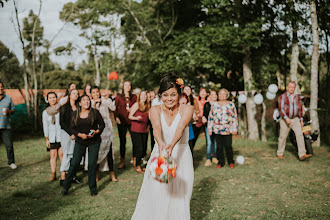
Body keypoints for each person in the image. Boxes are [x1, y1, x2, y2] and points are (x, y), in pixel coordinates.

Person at [132, 75, 194, 220]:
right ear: (160, 96)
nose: (169, 98)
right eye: (165, 95)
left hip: (182, 155)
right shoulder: (155, 109)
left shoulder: (188, 109)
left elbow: (180, 128)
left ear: (179, 95)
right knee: (157, 195)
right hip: (160, 155)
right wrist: (161, 144)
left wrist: (171, 145)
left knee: (181, 197)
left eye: (173, 94)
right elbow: (156, 128)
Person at [61, 94, 105, 196]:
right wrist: (79, 134)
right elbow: (72, 128)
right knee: (74, 164)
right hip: (80, 142)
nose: (86, 102)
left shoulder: (95, 112)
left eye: (88, 100)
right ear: (80, 103)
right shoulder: (75, 114)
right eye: (84, 100)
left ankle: (92, 188)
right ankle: (66, 187)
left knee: (92, 164)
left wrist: (96, 132)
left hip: (94, 141)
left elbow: (102, 125)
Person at [277, 81, 312, 161]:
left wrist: (301, 119)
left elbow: (300, 109)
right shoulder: (282, 97)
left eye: (293, 87)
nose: (291, 89)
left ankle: (302, 154)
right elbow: (281, 109)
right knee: (283, 137)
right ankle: (280, 153)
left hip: (295, 119)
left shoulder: (297, 97)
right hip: (285, 119)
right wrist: (286, 118)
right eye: (290, 87)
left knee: (299, 135)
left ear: (294, 88)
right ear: (287, 87)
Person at [88, 86, 117, 182]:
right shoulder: (90, 103)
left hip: (107, 129)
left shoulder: (105, 101)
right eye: (94, 92)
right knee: (96, 152)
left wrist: (108, 99)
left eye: (97, 92)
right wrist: (94, 105)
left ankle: (112, 174)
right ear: (91, 94)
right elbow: (89, 116)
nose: (96, 94)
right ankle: (96, 174)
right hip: (96, 130)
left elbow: (113, 108)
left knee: (109, 151)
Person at [208, 88, 238, 169]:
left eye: (224, 94)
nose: (222, 95)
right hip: (217, 129)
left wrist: (234, 128)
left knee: (228, 146)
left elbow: (234, 117)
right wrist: (210, 129)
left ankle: (231, 162)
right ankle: (220, 162)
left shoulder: (231, 104)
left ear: (227, 95)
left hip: (228, 129)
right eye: (220, 94)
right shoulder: (214, 105)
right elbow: (211, 117)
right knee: (219, 147)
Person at [114, 81, 137, 169]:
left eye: (129, 85)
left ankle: (135, 159)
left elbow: (137, 106)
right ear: (123, 87)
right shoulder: (119, 97)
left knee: (134, 140)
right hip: (122, 122)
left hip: (131, 121)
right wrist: (116, 117)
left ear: (131, 87)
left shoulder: (134, 97)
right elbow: (115, 108)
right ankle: (122, 161)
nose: (127, 87)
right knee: (122, 141)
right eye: (125, 85)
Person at [59, 89, 79, 185]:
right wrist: (70, 133)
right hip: (66, 134)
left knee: (73, 155)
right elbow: (62, 123)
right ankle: (63, 177)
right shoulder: (64, 107)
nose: (76, 95)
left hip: (76, 134)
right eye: (74, 93)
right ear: (69, 95)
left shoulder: (78, 107)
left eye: (77, 93)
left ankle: (72, 176)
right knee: (66, 154)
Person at [42, 92, 63, 181]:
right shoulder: (45, 112)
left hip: (61, 135)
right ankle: (53, 174)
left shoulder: (61, 109)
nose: (52, 99)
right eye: (50, 98)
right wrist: (47, 139)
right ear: (48, 100)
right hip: (52, 136)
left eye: (54, 97)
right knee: (53, 155)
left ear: (56, 98)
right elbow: (45, 126)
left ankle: (63, 174)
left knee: (62, 154)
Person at [128, 91, 150, 174]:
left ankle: (138, 163)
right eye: (142, 95)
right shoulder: (136, 105)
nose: (144, 96)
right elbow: (129, 116)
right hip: (136, 129)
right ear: (139, 96)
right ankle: (137, 166)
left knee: (143, 148)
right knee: (139, 148)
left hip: (144, 130)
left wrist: (148, 126)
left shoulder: (147, 106)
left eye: (145, 95)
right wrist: (136, 118)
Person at [0, 81, 16, 169]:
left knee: (9, 145)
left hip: (6, 126)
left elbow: (13, 110)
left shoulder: (8, 98)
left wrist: (9, 111)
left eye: (1, 86)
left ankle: (11, 162)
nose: (0, 88)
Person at [189, 88, 208, 153]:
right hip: (197, 122)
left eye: (204, 92)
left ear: (207, 93)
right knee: (194, 138)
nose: (203, 93)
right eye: (201, 92)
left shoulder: (209, 100)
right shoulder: (196, 100)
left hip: (207, 122)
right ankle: (190, 153)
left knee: (209, 140)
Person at [202, 89, 218, 166]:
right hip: (208, 126)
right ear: (210, 96)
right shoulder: (207, 104)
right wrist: (203, 118)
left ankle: (214, 157)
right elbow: (204, 115)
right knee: (209, 142)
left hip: (217, 126)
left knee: (215, 142)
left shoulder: (218, 104)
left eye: (215, 94)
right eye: (212, 94)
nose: (214, 96)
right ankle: (208, 158)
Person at [183, 85, 200, 154]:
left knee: (191, 142)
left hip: (192, 123)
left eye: (188, 89)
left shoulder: (194, 100)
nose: (187, 91)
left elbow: (197, 110)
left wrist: (193, 115)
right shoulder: (181, 99)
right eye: (185, 89)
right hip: (184, 124)